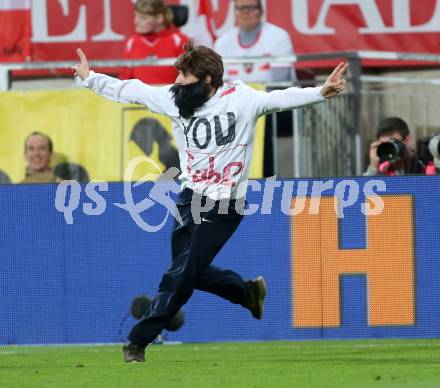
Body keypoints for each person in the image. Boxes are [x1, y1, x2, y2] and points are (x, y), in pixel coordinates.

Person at [71, 43, 347, 363]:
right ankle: (247, 293)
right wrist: (91, 78)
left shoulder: (241, 98)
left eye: (184, 75)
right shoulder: (175, 98)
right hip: (190, 198)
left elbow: (279, 99)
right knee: (188, 271)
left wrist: (320, 92)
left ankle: (137, 341)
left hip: (225, 204)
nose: (177, 80)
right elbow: (134, 90)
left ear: (207, 80)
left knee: (183, 274)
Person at [214, 0, 295, 83]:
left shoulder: (279, 36)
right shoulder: (222, 43)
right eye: (241, 8)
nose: (245, 12)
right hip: (236, 96)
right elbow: (222, 85)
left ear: (261, 11)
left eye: (251, 8)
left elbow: (280, 81)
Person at [120, 0, 190, 84]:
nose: (135, 21)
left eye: (143, 18)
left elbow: (190, 76)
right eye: (135, 16)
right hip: (140, 96)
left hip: (172, 95)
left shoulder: (179, 40)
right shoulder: (131, 43)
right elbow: (125, 79)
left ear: (159, 18)